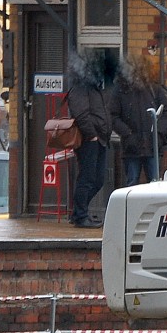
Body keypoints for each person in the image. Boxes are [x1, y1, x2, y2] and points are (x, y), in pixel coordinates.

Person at [66, 49, 116, 229]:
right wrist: (91, 135)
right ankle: (80, 216)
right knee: (87, 179)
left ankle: (79, 212)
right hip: (89, 140)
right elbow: (81, 114)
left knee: (97, 180)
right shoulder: (81, 87)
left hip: (100, 139)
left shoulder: (94, 87)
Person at [111, 52, 167, 187]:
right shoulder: (121, 91)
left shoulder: (154, 89)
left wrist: (158, 134)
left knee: (155, 185)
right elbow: (113, 116)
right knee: (134, 184)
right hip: (132, 147)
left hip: (151, 145)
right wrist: (127, 134)